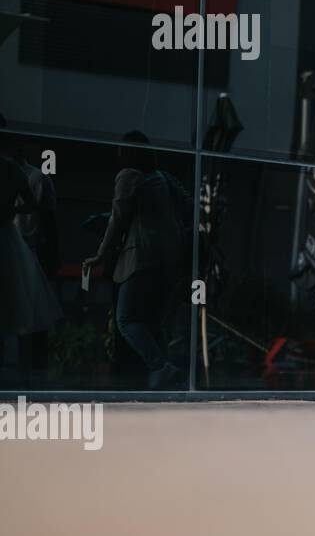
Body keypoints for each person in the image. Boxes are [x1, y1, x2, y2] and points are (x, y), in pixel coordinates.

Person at [82, 132, 192, 390]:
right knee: (153, 322)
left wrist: (100, 254)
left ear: (127, 153)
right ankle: (168, 375)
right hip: (168, 260)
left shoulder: (128, 176)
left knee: (126, 319)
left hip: (140, 258)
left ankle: (160, 366)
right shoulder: (163, 178)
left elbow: (117, 219)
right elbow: (189, 206)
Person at [0, 146, 62, 369]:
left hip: (28, 247)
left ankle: (32, 368)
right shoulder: (17, 172)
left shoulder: (34, 177)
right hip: (17, 244)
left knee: (27, 312)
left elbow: (46, 215)